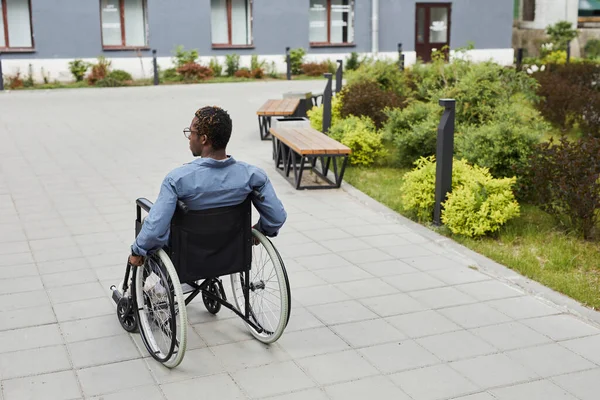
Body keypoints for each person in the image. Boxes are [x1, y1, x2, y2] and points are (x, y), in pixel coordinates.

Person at [128, 105, 287, 266]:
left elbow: (155, 230)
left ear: (203, 139)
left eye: (191, 133)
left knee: (149, 223)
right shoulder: (252, 176)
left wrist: (137, 250)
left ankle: (160, 285)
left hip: (186, 257)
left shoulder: (177, 179)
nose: (189, 137)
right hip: (231, 252)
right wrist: (259, 231)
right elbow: (276, 217)